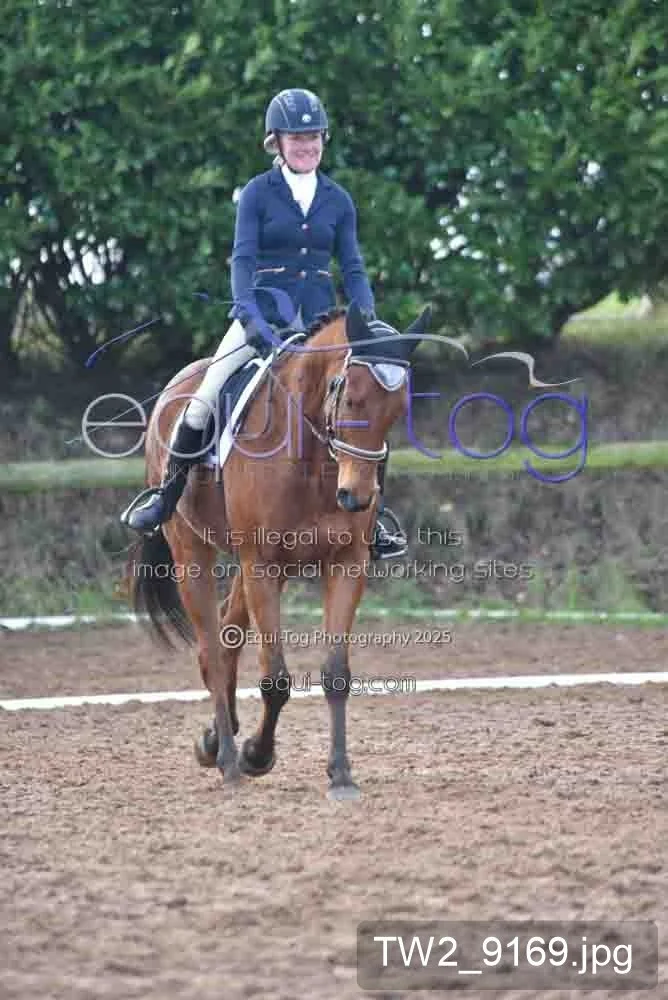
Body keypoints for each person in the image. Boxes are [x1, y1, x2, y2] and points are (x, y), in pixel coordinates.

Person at [122, 87, 407, 559]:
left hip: (322, 324)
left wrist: (367, 322)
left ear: (324, 140)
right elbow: (242, 260)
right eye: (297, 138)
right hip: (262, 316)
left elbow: (353, 266)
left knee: (366, 407)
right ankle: (167, 494)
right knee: (204, 396)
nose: (306, 146)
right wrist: (248, 315)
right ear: (277, 142)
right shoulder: (257, 193)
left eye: (313, 137)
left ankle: (374, 517)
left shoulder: (338, 199)